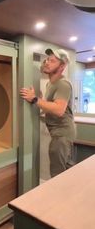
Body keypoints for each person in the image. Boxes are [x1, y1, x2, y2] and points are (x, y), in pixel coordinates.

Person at [20, 48, 75, 177]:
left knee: (57, 173)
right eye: (47, 60)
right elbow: (48, 108)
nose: (47, 63)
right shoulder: (50, 84)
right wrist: (40, 100)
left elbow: (59, 110)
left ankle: (59, 196)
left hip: (62, 134)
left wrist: (34, 99)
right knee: (65, 168)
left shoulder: (63, 84)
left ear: (62, 66)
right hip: (59, 133)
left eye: (52, 61)